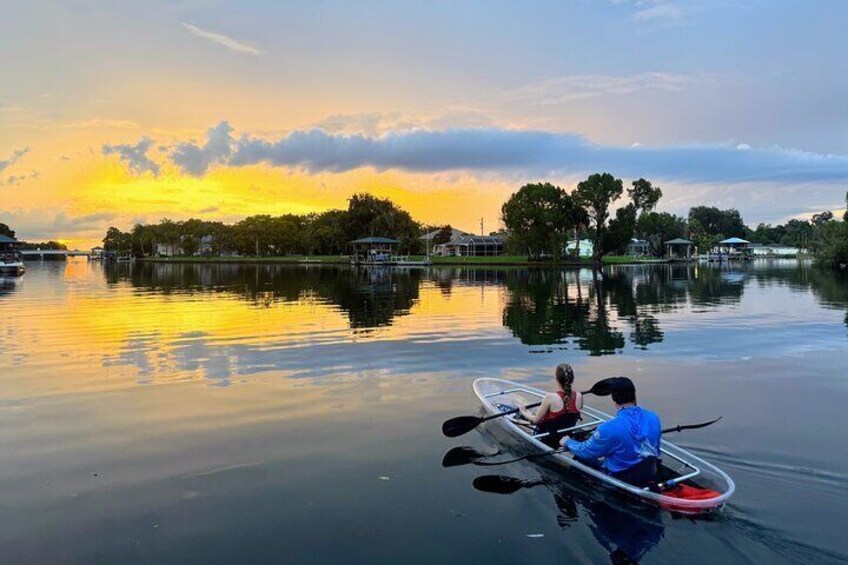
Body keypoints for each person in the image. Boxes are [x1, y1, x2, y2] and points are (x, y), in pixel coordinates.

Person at [561, 377, 661, 487]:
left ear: (613, 397)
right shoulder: (653, 417)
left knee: (579, 456)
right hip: (650, 471)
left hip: (620, 478)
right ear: (634, 394)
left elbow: (586, 452)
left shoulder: (608, 427)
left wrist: (568, 442)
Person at [518, 364, 583, 446]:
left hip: (547, 437)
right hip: (566, 436)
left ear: (556, 378)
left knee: (528, 418)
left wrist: (523, 411)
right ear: (572, 379)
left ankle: (521, 420)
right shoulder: (579, 395)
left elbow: (535, 421)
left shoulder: (550, 397)